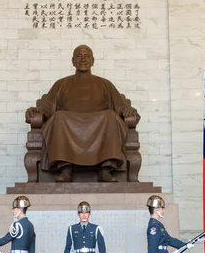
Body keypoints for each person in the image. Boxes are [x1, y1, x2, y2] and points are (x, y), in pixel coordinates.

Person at [25, 44, 140, 182]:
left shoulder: (105, 84)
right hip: (67, 123)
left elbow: (120, 107)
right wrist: (36, 111)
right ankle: (65, 168)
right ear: (73, 61)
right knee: (59, 116)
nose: (83, 59)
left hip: (100, 123)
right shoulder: (61, 84)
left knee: (110, 116)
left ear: (93, 61)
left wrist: (127, 110)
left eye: (87, 56)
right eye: (79, 56)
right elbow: (47, 108)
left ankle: (106, 169)